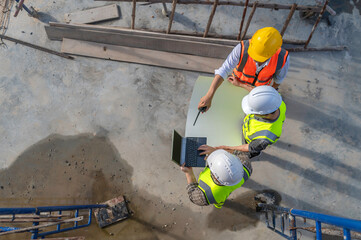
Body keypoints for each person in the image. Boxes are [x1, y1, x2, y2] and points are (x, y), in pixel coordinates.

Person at [198, 27, 289, 112]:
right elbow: (224, 69)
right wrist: (209, 95)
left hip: (258, 93)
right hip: (234, 87)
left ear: (273, 52)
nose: (254, 59)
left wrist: (264, 97)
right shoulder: (242, 48)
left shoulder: (282, 58)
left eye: (260, 57)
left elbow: (277, 83)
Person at [218, 85, 286, 158]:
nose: (251, 113)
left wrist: (229, 148)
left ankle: (256, 153)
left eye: (253, 112)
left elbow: (250, 147)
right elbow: (261, 96)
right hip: (249, 131)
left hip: (250, 143)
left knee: (250, 153)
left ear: (265, 114)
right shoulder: (276, 102)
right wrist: (239, 83)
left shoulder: (264, 138)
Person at [181, 145, 252, 208]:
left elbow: (192, 194)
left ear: (214, 176)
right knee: (221, 197)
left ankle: (218, 204)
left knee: (218, 202)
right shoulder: (247, 166)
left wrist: (189, 173)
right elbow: (238, 152)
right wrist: (216, 151)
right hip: (225, 190)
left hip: (216, 196)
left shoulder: (205, 196)